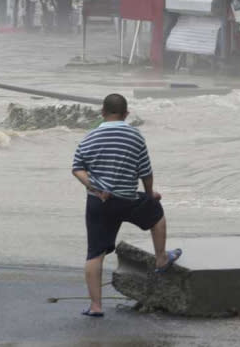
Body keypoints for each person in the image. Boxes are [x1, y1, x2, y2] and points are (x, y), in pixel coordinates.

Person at [72, 93, 181, 317]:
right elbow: (145, 171)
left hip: (98, 202)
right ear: (126, 114)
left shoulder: (91, 136)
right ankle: (161, 258)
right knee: (157, 214)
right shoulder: (135, 135)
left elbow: (77, 167)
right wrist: (150, 194)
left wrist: (92, 186)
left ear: (102, 112)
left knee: (95, 253)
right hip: (127, 200)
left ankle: (95, 307)